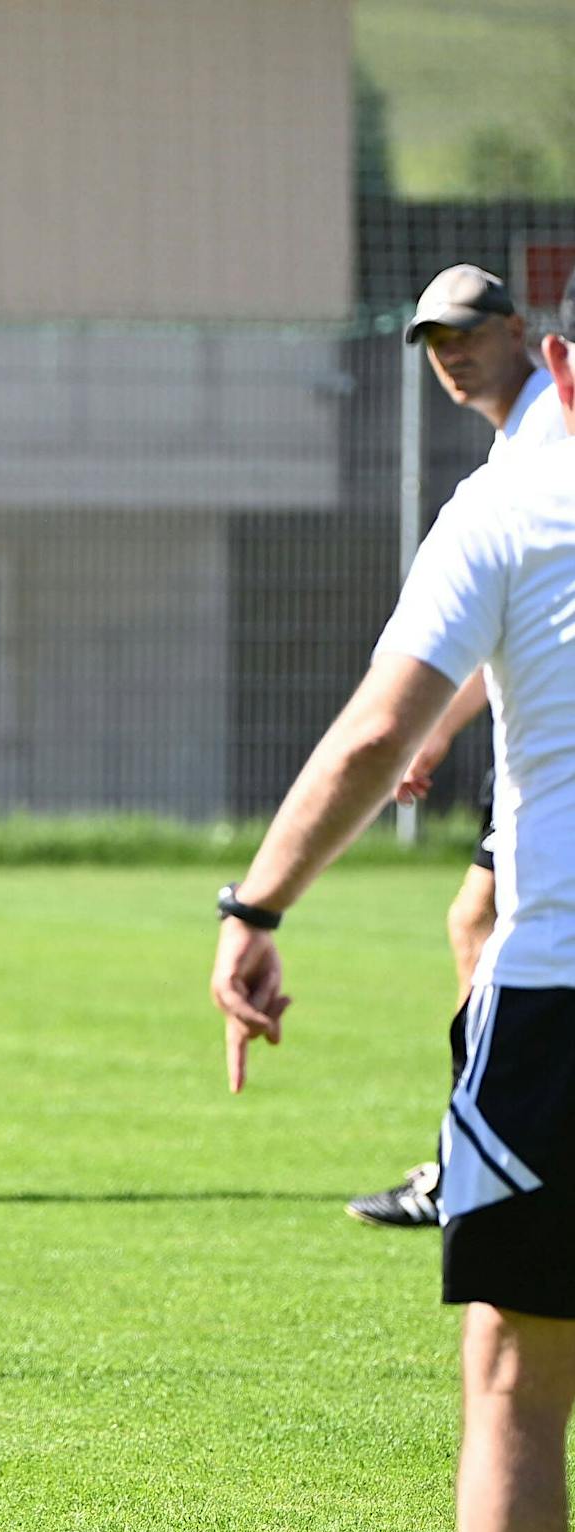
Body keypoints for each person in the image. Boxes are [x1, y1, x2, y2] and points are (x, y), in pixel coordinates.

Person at [211, 276, 575, 1532]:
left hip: (563, 998)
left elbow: (375, 732)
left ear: (550, 354)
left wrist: (255, 903)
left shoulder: (511, 508)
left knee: (515, 1376)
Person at [349, 264, 565, 1228]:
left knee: (483, 926)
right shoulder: (519, 447)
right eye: (436, 342)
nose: (453, 354)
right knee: (474, 922)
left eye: (468, 332)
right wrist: (440, 730)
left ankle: (478, 1154)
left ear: (522, 330)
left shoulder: (543, 442)